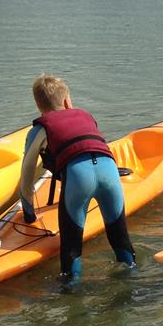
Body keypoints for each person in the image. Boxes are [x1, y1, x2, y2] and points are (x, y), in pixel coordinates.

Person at [19, 74, 136, 282]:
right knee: (120, 238)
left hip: (78, 177)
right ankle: (132, 278)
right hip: (110, 171)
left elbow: (27, 175)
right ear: (67, 101)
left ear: (38, 107)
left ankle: (72, 289)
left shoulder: (39, 130)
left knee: (71, 248)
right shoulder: (86, 116)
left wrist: (29, 215)